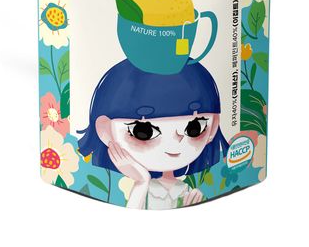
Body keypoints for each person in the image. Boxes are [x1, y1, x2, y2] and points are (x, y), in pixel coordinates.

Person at [78, 59, 228, 209]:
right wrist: (141, 182)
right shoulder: (116, 187)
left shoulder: (186, 188)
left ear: (213, 126)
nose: (175, 141)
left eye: (195, 128)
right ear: (105, 131)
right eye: (144, 132)